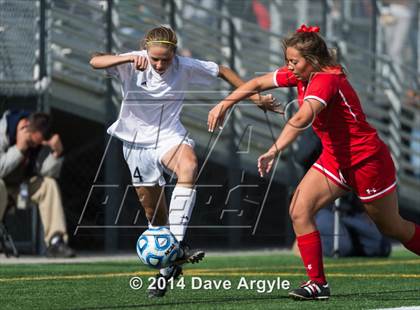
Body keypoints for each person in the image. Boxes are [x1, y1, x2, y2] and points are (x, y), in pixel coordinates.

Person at [208, 24, 420, 301]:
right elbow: (258, 83)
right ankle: (317, 284)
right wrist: (225, 104)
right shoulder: (302, 75)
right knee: (299, 209)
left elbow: (301, 118)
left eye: (294, 61)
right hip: (335, 160)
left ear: (313, 60)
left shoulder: (326, 79)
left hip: (366, 162)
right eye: (288, 61)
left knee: (393, 227)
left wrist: (274, 149)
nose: (289, 67)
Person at [89, 25, 274, 298]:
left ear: (174, 53)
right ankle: (168, 269)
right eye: (155, 59)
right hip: (135, 143)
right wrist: (127, 58)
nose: (161, 64)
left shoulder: (184, 66)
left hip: (169, 136)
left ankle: (177, 245)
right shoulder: (133, 61)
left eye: (166, 58)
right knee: (154, 217)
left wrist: (256, 97)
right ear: (146, 51)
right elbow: (95, 60)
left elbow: (222, 70)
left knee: (188, 166)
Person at [0, 109, 75, 258]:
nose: (34, 146)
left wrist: (56, 154)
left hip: (19, 189)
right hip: (2, 186)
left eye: (37, 143)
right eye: (31, 142)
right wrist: (19, 149)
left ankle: (56, 242)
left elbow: (46, 173)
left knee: (49, 184)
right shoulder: (3, 130)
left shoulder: (38, 142)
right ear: (25, 126)